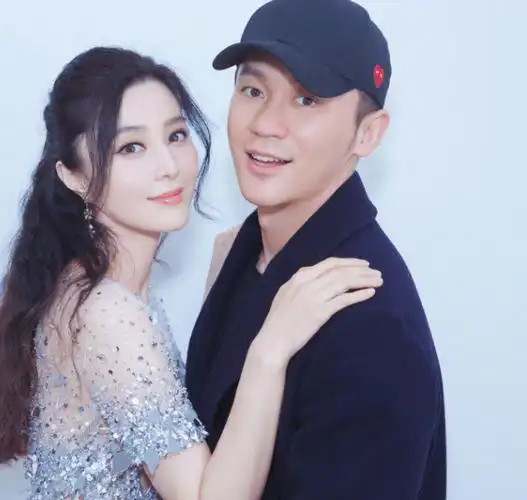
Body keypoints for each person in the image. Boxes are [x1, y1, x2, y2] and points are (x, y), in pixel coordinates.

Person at [0, 46, 383, 499]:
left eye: (176, 135)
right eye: (131, 148)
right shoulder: (106, 313)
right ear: (74, 177)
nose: (169, 167)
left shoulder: (99, 286)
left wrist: (219, 296)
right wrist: (269, 350)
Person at [186, 0, 447, 499]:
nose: (266, 123)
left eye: (306, 100)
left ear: (367, 133)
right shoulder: (246, 250)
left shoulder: (371, 327)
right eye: (253, 90)